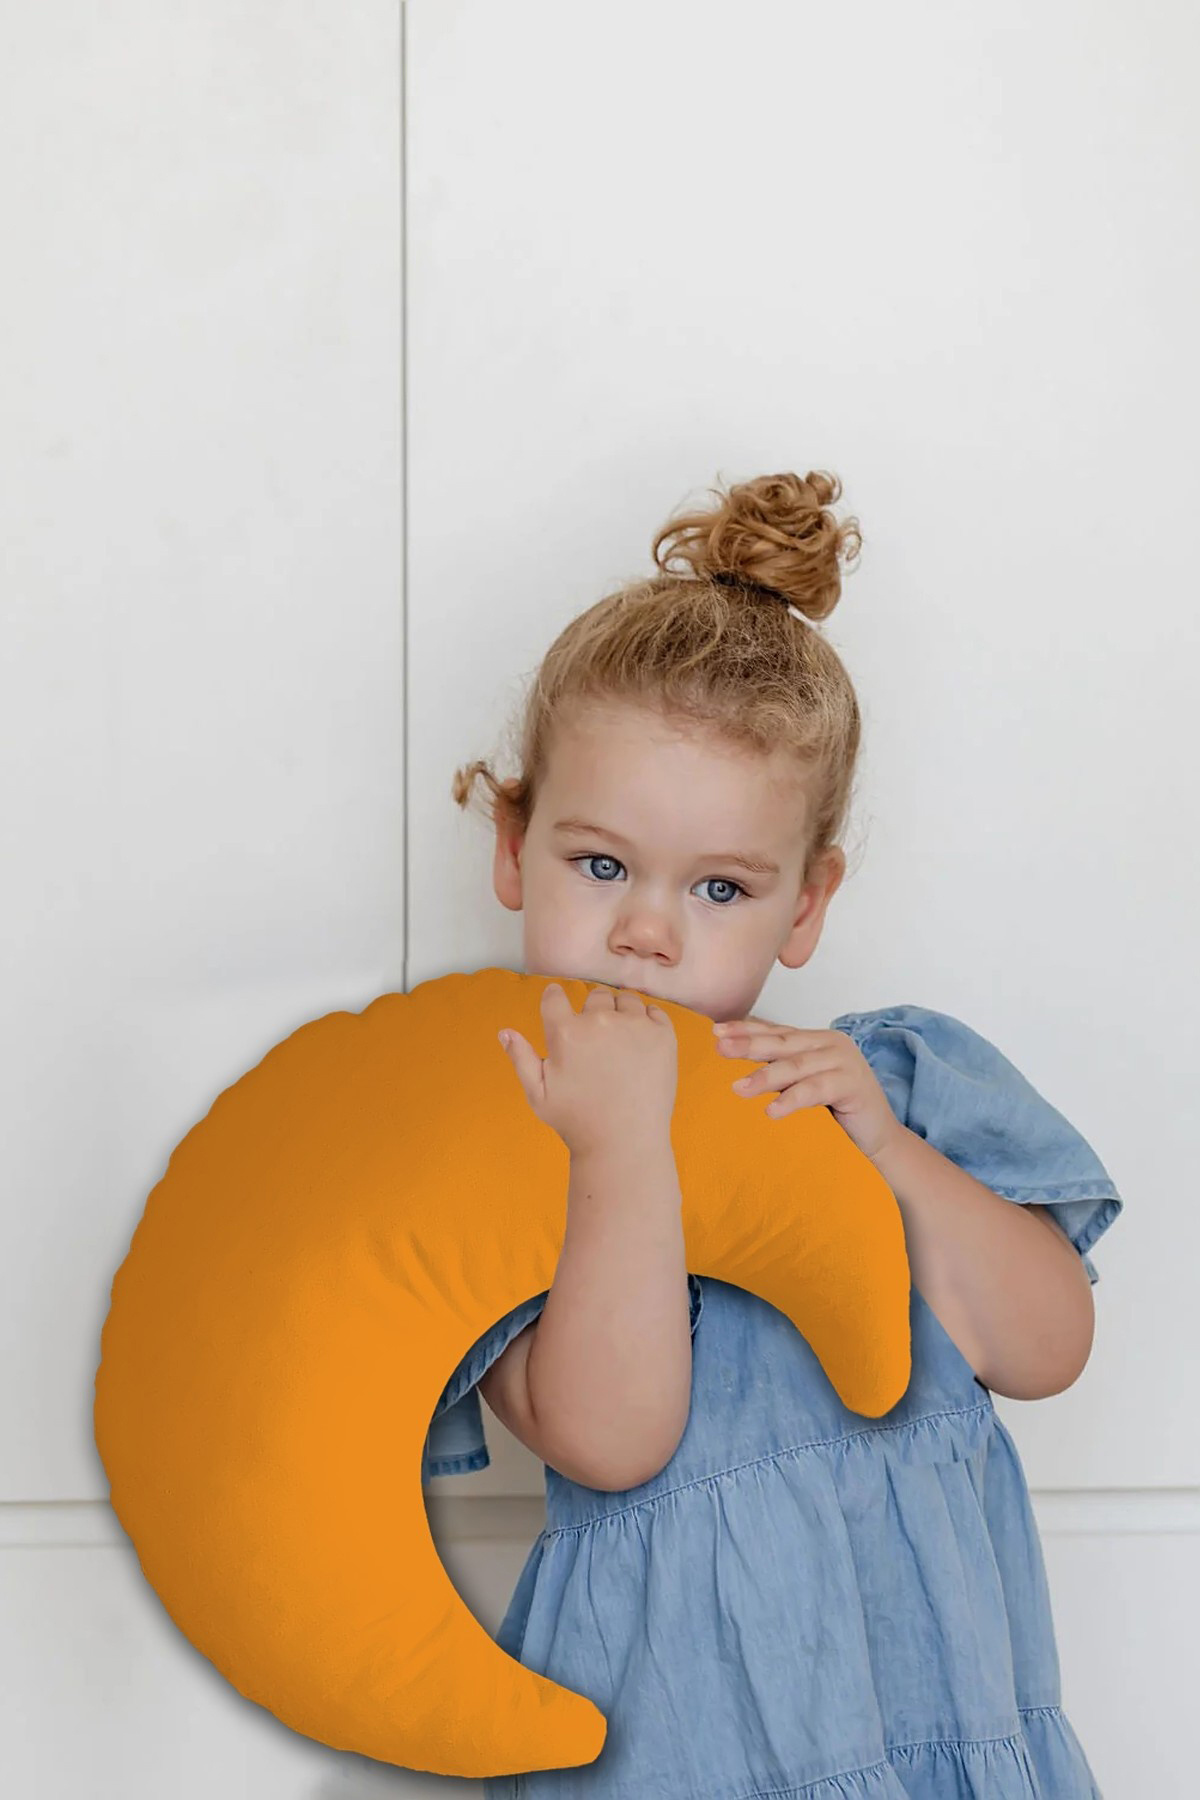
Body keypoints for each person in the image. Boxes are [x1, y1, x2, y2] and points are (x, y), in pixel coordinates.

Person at [422, 469, 1123, 1798]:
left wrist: (887, 1151)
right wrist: (621, 1152)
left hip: (932, 1727)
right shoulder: (510, 1157)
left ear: (806, 906)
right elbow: (610, 1441)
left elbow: (1047, 1349)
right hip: (673, 1752)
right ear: (513, 846)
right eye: (601, 865)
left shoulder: (894, 1080)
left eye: (722, 888)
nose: (648, 930)